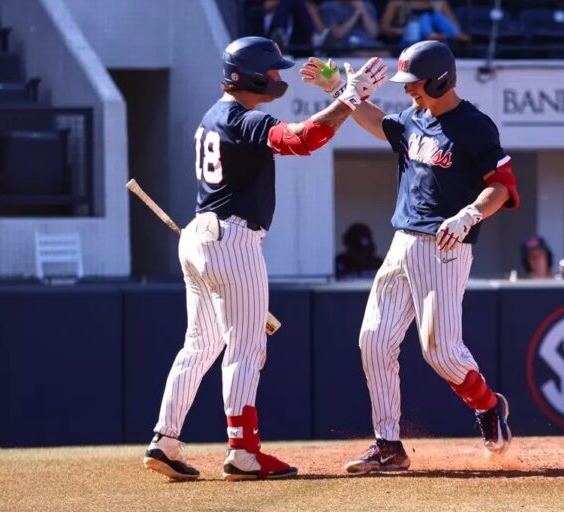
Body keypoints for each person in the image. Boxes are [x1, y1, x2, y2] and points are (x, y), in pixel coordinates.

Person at [142, 36, 387, 481]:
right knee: (246, 346)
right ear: (252, 74)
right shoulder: (241, 118)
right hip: (232, 238)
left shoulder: (214, 115)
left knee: (199, 346)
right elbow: (302, 140)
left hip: (200, 234)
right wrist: (350, 96)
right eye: (272, 71)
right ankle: (243, 451)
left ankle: (165, 439)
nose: (278, 76)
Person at [301, 41, 519, 473]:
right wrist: (339, 90)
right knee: (374, 340)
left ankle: (489, 406)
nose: (408, 92)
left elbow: (503, 186)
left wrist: (470, 214)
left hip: (445, 246)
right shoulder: (414, 118)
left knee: (440, 351)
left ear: (439, 78)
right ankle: (388, 444)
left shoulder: (474, 126)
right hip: (402, 241)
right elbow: (378, 122)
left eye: (414, 83)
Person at [380, 0, 469, 50]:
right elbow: (384, 27)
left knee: (437, 16)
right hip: (410, 39)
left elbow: (454, 23)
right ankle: (430, 35)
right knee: (423, 17)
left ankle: (454, 35)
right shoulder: (397, 2)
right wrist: (400, 31)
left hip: (438, 41)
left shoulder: (438, 3)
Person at [319, 0, 388, 56]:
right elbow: (337, 34)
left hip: (368, 46)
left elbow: (373, 34)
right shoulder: (329, 7)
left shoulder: (367, 6)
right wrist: (356, 14)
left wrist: (363, 11)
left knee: (386, 54)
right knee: (359, 54)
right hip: (345, 48)